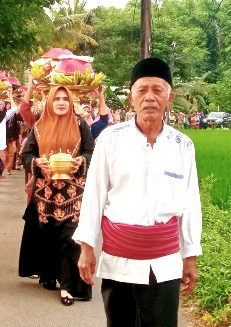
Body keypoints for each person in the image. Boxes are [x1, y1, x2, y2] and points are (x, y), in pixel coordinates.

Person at [73, 57, 202, 326]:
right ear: (132, 97)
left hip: (165, 263)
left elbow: (190, 203)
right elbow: (94, 194)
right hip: (118, 260)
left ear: (170, 97)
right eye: (142, 90)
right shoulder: (110, 138)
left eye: (158, 90)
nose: (149, 97)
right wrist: (86, 247)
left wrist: (190, 255)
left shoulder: (183, 145)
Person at [19, 85, 95, 306]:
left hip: (74, 190)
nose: (61, 103)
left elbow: (91, 151)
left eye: (65, 99)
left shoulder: (81, 125)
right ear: (50, 102)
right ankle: (51, 275)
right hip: (46, 192)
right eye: (57, 99)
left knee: (71, 237)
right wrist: (37, 163)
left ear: (70, 102)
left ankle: (69, 286)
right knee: (49, 235)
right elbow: (27, 155)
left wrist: (81, 161)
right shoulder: (39, 127)